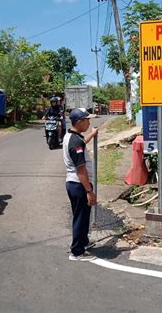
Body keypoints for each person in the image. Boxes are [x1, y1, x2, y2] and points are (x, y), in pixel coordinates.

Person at [63, 108, 98, 261]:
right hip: (79, 184)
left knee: (83, 216)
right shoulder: (75, 141)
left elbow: (83, 143)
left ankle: (83, 242)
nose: (89, 122)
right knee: (81, 218)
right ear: (79, 122)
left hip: (74, 183)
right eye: (87, 120)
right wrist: (89, 191)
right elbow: (81, 169)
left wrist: (92, 134)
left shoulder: (72, 136)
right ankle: (77, 252)